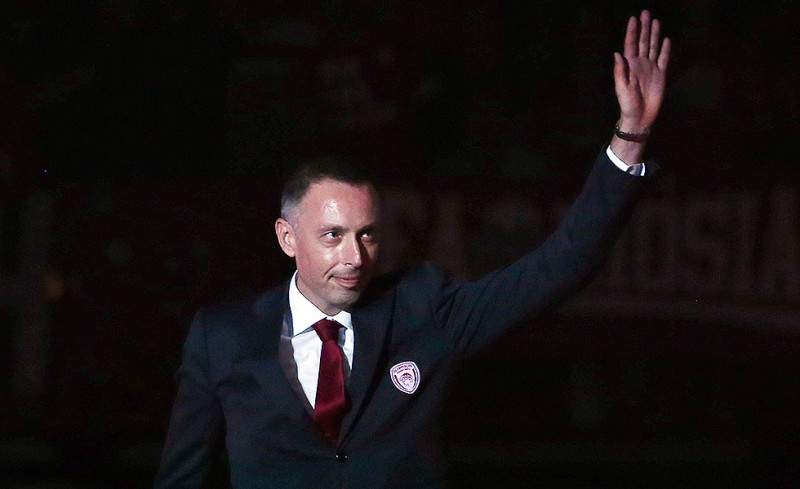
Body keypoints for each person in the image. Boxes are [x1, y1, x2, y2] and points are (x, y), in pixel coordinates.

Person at [154, 10, 671, 489]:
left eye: (367, 234)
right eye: (332, 236)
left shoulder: (423, 308)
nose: (355, 257)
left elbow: (559, 268)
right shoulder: (222, 338)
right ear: (287, 238)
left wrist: (630, 137)